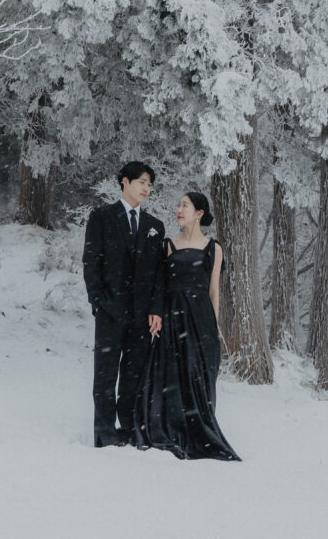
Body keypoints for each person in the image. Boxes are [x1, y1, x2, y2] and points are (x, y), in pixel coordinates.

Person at [133, 190, 241, 460]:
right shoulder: (168, 245)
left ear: (199, 213)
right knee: (170, 373)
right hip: (172, 317)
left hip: (201, 320)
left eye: (185, 205)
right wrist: (156, 313)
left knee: (197, 377)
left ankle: (197, 431)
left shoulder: (213, 248)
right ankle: (168, 428)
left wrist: (212, 332)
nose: (179, 210)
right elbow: (160, 285)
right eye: (178, 205)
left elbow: (214, 291)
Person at [82, 160, 165, 447]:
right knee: (105, 377)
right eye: (142, 181)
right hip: (109, 311)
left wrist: (155, 309)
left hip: (142, 317)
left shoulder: (155, 226)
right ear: (124, 182)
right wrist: (98, 302)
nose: (147, 188)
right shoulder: (102, 217)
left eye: (150, 184)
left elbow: (158, 274)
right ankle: (105, 432)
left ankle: (130, 429)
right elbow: (91, 262)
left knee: (133, 377)